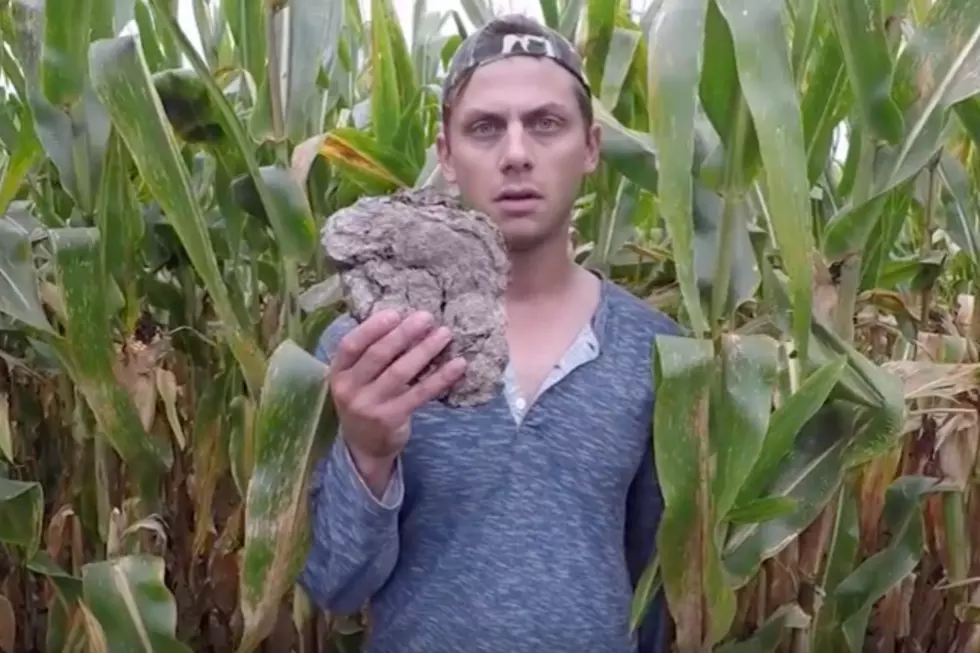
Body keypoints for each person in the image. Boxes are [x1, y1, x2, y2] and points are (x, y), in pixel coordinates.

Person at [299, 13, 683, 653]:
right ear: (446, 156)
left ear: (590, 148)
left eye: (545, 124)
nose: (516, 154)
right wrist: (367, 453)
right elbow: (333, 587)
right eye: (484, 128)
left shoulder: (656, 351)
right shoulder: (368, 350)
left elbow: (657, 584)